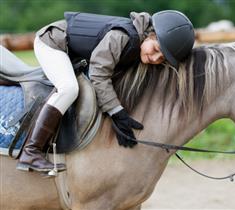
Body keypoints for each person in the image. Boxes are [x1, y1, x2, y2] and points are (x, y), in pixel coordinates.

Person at [17, 10, 195, 173]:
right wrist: (117, 113)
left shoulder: (139, 45)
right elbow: (99, 74)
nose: (154, 58)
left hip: (72, 51)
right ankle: (31, 151)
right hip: (52, 42)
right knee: (69, 88)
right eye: (156, 49)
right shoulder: (121, 37)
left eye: (161, 58)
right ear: (150, 34)